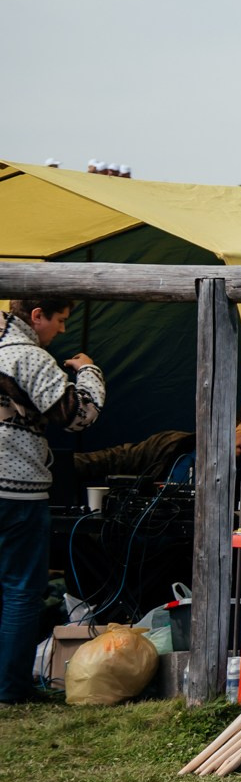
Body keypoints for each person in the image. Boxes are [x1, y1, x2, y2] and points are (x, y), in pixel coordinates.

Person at [0, 297, 104, 701]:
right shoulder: (28, 356)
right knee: (22, 589)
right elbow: (79, 415)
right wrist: (90, 372)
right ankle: (11, 689)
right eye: (58, 320)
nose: (61, 330)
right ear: (37, 314)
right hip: (16, 489)